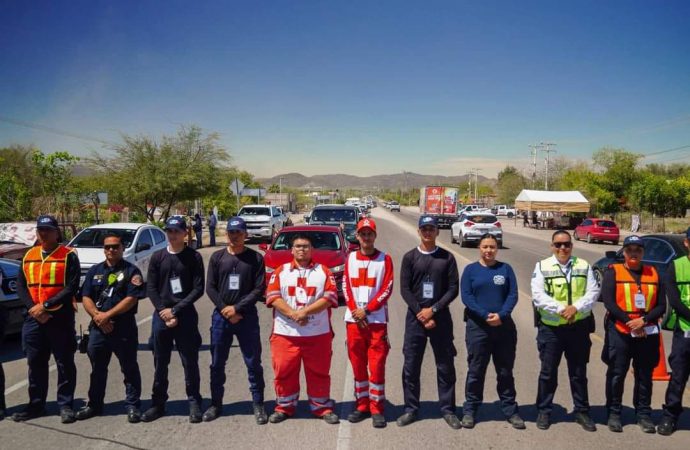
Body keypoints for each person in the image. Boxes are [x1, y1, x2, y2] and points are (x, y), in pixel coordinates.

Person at [265, 233, 340, 425]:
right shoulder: (280, 271)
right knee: (284, 371)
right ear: (291, 250)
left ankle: (321, 406)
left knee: (319, 372)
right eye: (298, 246)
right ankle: (284, 406)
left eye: (306, 246)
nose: (302, 249)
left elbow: (331, 297)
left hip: (317, 334)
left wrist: (304, 312)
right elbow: (272, 297)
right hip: (285, 334)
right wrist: (293, 314)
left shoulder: (324, 271)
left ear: (312, 250)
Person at [13, 215, 80, 423]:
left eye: (48, 230)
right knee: (35, 362)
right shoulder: (29, 255)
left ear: (56, 232)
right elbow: (22, 286)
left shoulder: (68, 255)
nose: (44, 233)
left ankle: (65, 404)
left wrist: (46, 306)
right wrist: (34, 308)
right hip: (34, 318)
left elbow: (72, 286)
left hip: (59, 317)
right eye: (41, 229)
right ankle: (37, 404)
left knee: (64, 362)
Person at [531, 230, 599, 431]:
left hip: (578, 328)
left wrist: (575, 308)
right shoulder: (542, 266)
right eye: (558, 244)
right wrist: (561, 309)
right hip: (551, 329)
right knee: (548, 372)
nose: (563, 248)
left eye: (566, 244)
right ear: (552, 246)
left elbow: (593, 291)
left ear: (572, 246)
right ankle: (544, 410)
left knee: (578, 372)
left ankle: (582, 411)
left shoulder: (583, 265)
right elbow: (538, 294)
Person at [398, 215, 461, 429]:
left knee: (445, 366)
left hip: (441, 318)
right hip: (415, 320)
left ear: (437, 232)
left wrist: (433, 310)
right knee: (411, 366)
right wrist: (421, 313)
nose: (427, 232)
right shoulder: (409, 257)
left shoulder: (447, 258)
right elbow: (405, 289)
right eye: (424, 229)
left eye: (431, 229)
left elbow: (453, 289)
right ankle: (411, 409)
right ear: (419, 232)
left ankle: (447, 409)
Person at [75, 234, 145, 423]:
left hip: (123, 328)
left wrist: (108, 315)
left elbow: (131, 299)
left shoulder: (132, 271)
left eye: (115, 246)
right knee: (97, 369)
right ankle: (95, 405)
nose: (111, 250)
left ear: (122, 248)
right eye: (107, 247)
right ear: (103, 249)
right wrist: (98, 317)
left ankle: (132, 405)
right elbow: (86, 296)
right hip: (98, 329)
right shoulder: (95, 271)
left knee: (129, 368)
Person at [204, 217, 267, 424]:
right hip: (221, 317)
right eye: (232, 232)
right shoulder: (217, 257)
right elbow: (210, 288)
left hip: (246, 317)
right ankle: (216, 404)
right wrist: (225, 309)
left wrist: (237, 308)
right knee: (217, 363)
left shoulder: (256, 258)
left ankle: (258, 403)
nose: (235, 236)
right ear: (227, 234)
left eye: (239, 233)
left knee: (253, 363)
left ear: (245, 234)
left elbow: (259, 289)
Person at [142, 216, 205, 423]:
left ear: (185, 233)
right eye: (169, 231)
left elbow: (198, 289)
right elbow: (151, 287)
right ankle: (158, 403)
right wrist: (163, 311)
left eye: (177, 231)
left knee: (189, 361)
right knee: (160, 362)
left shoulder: (193, 257)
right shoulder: (158, 257)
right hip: (161, 317)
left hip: (185, 315)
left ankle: (194, 402)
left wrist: (176, 310)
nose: (173, 235)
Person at [601, 235, 666, 433]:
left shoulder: (654, 273)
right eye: (630, 249)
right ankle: (614, 412)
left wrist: (643, 321)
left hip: (646, 331)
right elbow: (609, 302)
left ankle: (643, 413)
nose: (634, 253)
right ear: (624, 252)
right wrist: (630, 323)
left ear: (643, 252)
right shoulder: (613, 271)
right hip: (620, 330)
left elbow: (662, 305)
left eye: (638, 249)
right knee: (617, 373)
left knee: (645, 374)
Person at [460, 233, 524, 429]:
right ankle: (470, 409)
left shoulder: (506, 269)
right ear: (479, 248)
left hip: (503, 328)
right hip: (478, 328)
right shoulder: (471, 270)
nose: (488, 250)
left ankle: (510, 410)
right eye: (485, 247)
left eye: (492, 247)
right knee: (476, 370)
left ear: (497, 249)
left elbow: (512, 295)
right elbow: (467, 297)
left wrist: (502, 315)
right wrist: (486, 315)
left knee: (505, 371)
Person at [343, 218, 394, 428]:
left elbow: (387, 288)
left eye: (369, 233)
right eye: (362, 233)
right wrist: (357, 312)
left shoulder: (385, 259)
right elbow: (345, 286)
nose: (366, 237)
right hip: (354, 321)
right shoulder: (350, 258)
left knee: (377, 366)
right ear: (357, 236)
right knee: (357, 365)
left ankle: (377, 408)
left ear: (375, 236)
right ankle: (362, 404)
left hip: (376, 321)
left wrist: (368, 310)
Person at [658, 226, 690, 436]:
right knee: (678, 375)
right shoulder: (676, 266)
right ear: (687, 243)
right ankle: (670, 415)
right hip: (686, 330)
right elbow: (675, 299)